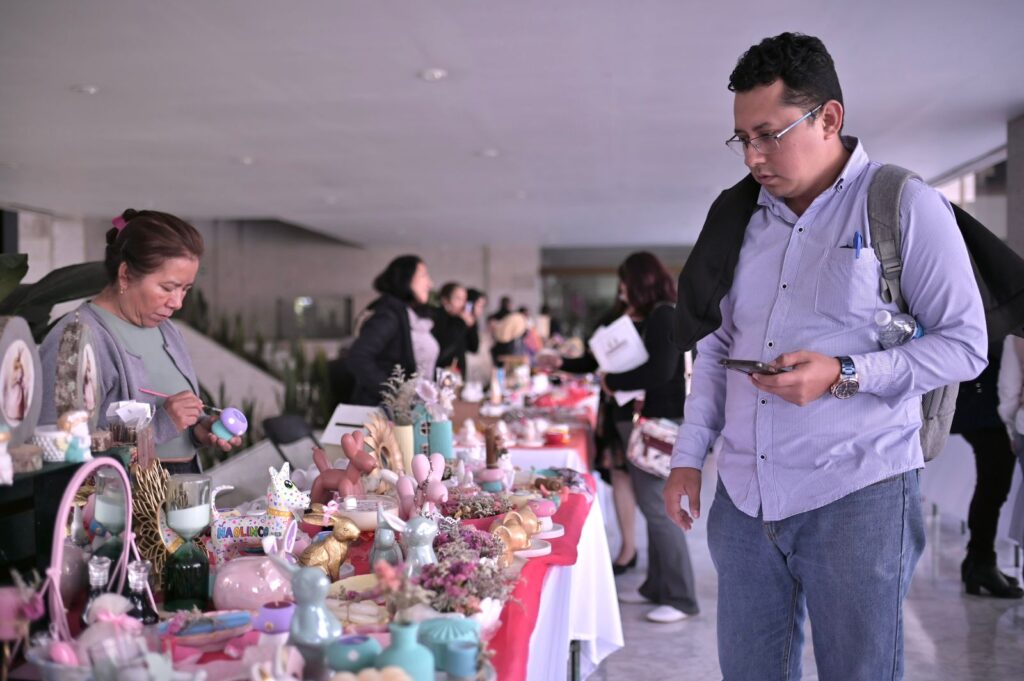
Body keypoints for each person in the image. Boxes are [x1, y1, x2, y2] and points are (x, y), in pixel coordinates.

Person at [663, 33, 987, 679]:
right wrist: (688, 458)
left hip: (859, 491)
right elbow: (716, 346)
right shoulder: (739, 219)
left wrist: (847, 373)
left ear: (829, 118)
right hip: (747, 499)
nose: (753, 156)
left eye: (769, 134)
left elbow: (966, 344)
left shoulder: (903, 205)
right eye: (742, 139)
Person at [540, 252, 698, 623]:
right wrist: (565, 365)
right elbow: (605, 363)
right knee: (652, 505)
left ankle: (681, 597)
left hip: (659, 422)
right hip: (646, 422)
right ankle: (657, 587)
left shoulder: (664, 315)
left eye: (626, 282)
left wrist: (612, 383)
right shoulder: (646, 317)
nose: (622, 290)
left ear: (641, 281)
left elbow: (660, 371)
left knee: (659, 510)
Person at [40, 209, 243, 474]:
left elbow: (170, 431)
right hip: (117, 505)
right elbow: (58, 444)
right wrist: (160, 425)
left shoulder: (166, 329)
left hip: (178, 493)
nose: (177, 302)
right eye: (168, 288)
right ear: (125, 275)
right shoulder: (76, 337)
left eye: (185, 289)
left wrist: (196, 430)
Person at [951, 339, 1024, 598]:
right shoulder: (1002, 309)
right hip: (987, 405)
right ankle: (981, 563)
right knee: (993, 488)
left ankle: (977, 560)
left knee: (991, 488)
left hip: (983, 400)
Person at [347, 255, 436, 405]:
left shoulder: (403, 311)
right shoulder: (389, 313)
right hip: (380, 412)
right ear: (405, 278)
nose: (430, 284)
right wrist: (395, 393)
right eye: (423, 275)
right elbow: (358, 357)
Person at [431, 282, 481, 377]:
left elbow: (474, 347)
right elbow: (445, 346)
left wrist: (471, 326)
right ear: (445, 300)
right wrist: (461, 323)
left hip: (458, 374)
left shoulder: (462, 320)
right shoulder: (437, 317)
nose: (463, 304)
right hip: (440, 373)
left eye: (464, 299)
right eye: (458, 299)